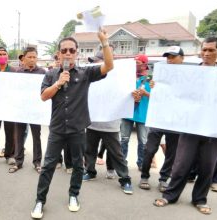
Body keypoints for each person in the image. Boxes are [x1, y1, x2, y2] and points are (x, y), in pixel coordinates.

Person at [31, 29, 113, 219]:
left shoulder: (85, 73)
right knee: (48, 165)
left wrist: (104, 42)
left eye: (71, 50)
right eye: (64, 50)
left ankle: (74, 195)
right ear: (59, 53)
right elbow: (44, 97)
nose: (68, 53)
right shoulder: (51, 74)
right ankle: (40, 201)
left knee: (78, 165)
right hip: (57, 129)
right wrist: (58, 83)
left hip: (77, 129)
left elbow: (109, 66)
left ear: (77, 53)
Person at [154, 37, 217, 215]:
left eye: (211, 50)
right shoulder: (189, 74)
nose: (206, 54)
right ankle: (170, 195)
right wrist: (157, 87)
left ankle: (200, 199)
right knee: (181, 164)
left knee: (207, 167)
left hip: (213, 130)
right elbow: (173, 92)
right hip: (190, 127)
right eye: (204, 49)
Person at [83, 48, 132, 195]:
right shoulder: (90, 76)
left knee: (116, 153)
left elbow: (128, 95)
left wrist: (135, 96)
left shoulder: (120, 77)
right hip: (92, 121)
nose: (93, 64)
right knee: (89, 150)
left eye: (96, 61)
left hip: (111, 124)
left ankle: (125, 179)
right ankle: (90, 171)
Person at [138, 46, 183, 192]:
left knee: (171, 152)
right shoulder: (159, 73)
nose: (169, 59)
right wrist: (153, 88)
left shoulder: (187, 76)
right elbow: (156, 97)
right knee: (150, 149)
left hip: (175, 120)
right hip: (158, 118)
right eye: (168, 57)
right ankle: (144, 176)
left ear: (182, 58)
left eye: (173, 56)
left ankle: (164, 178)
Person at [10, 47, 46, 173]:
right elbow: (12, 90)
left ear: (37, 58)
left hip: (36, 111)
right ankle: (18, 162)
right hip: (21, 110)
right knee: (19, 136)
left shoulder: (42, 72)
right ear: (23, 58)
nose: (32, 59)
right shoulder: (17, 72)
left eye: (34, 57)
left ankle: (37, 162)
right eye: (29, 57)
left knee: (37, 136)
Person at [120, 54, 151, 170]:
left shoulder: (150, 79)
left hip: (142, 114)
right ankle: (122, 162)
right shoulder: (128, 77)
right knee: (124, 139)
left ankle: (141, 163)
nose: (134, 65)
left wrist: (145, 94)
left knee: (143, 141)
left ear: (144, 64)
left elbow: (157, 97)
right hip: (127, 113)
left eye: (137, 63)